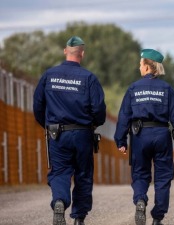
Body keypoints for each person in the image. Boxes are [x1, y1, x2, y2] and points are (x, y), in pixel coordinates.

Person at [33, 36, 106, 225]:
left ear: (65, 51)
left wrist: (49, 126)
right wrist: (93, 125)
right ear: (82, 53)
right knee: (83, 174)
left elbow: (38, 106)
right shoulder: (89, 78)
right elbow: (98, 109)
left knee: (60, 172)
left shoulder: (49, 75)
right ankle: (79, 218)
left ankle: (59, 201)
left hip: (57, 134)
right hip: (82, 134)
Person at [114, 49, 174, 225]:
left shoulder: (133, 88)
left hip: (139, 136)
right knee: (163, 176)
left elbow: (124, 116)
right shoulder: (166, 89)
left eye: (140, 64)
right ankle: (157, 217)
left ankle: (140, 199)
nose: (139, 67)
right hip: (162, 135)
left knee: (140, 173)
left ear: (148, 67)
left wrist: (121, 140)